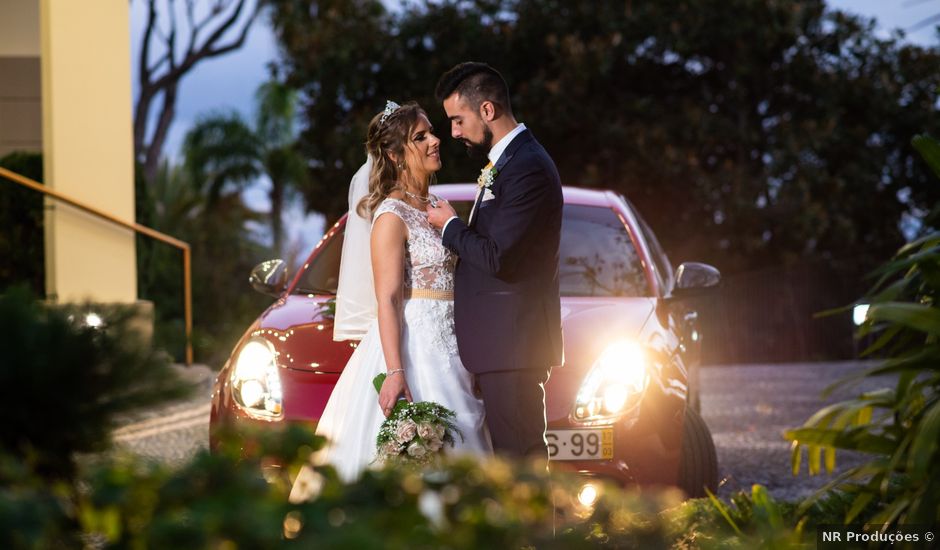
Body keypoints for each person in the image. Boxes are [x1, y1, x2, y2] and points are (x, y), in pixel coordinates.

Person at [290, 101, 492, 502]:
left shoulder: (437, 209)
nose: (436, 140)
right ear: (396, 155)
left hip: (456, 349)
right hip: (416, 351)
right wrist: (396, 371)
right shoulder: (390, 216)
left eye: (432, 132)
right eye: (421, 137)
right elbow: (386, 299)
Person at [426, 62, 564, 459]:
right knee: (511, 464)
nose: (452, 132)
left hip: (514, 345)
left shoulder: (527, 168)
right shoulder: (507, 162)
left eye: (457, 120)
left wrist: (450, 226)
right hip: (499, 346)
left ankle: (535, 527)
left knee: (521, 464)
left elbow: (499, 257)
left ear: (487, 110)